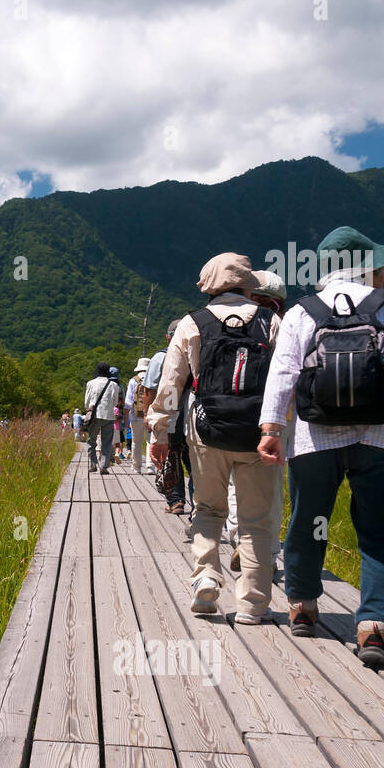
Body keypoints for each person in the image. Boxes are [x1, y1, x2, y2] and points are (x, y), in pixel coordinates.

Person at [258, 226, 384, 664]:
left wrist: (269, 429)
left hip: (314, 438)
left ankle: (302, 607)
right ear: (370, 268)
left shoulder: (304, 311)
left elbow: (283, 373)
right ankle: (375, 627)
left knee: (308, 521)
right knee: (380, 530)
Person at [148, 253, 281, 623]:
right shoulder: (272, 321)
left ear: (208, 285)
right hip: (257, 433)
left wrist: (159, 431)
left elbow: (171, 386)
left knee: (208, 509)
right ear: (247, 283)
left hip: (206, 431)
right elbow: (287, 377)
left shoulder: (192, 324)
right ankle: (253, 605)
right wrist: (280, 429)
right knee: (255, 519)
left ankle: (206, 576)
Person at [225, 270, 288, 572]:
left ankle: (239, 538)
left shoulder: (226, 324)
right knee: (271, 490)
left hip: (231, 416)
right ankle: (269, 551)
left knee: (236, 482)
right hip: (273, 419)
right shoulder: (281, 325)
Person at [142, 320, 192, 511]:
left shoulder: (160, 358)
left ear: (168, 336)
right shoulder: (197, 352)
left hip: (169, 416)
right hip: (193, 417)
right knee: (192, 462)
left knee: (170, 458)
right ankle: (197, 506)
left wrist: (148, 414)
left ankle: (175, 500)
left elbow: (150, 390)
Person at [83, 362, 120, 474]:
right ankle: (104, 466)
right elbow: (115, 402)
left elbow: (86, 402)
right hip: (108, 416)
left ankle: (93, 464)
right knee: (107, 442)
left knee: (92, 441)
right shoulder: (113, 385)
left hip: (94, 416)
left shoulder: (90, 383)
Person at [124, 357, 151, 473]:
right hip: (150, 414)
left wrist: (129, 413)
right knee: (150, 441)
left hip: (136, 415)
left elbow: (128, 402)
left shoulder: (133, 381)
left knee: (136, 441)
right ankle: (151, 466)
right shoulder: (154, 378)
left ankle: (136, 467)